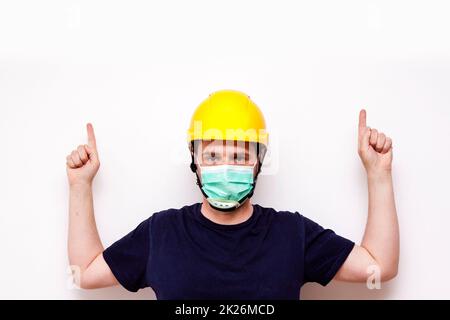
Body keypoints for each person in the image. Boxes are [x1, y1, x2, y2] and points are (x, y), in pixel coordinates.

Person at [66, 89, 399, 299]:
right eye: (212, 156)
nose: (225, 166)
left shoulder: (291, 235)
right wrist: (80, 186)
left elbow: (378, 266)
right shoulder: (162, 233)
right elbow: (84, 273)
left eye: (239, 156)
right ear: (194, 161)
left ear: (259, 163)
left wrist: (378, 174)